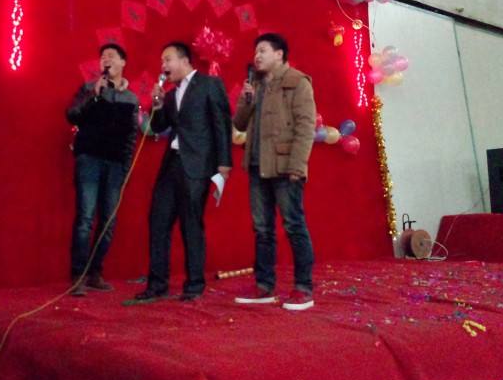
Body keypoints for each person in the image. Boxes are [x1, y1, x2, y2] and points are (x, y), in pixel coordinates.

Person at [134, 42, 232, 302]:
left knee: (191, 224)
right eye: (162, 61)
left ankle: (194, 285)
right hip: (171, 164)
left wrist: (224, 163)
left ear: (185, 60)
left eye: (168, 59)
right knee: (158, 221)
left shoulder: (210, 84)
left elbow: (222, 124)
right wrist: (156, 104)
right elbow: (157, 126)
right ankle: (157, 285)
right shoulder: (169, 95)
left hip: (198, 165)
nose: (163, 66)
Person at [232, 33, 317, 311]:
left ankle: (303, 288)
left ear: (279, 54)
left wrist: (297, 166)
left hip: (285, 168)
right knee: (262, 230)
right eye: (255, 52)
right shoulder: (255, 85)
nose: (257, 56)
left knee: (294, 226)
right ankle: (264, 286)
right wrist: (246, 100)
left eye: (263, 51)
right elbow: (240, 125)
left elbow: (306, 127)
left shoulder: (297, 82)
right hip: (257, 166)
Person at [65, 43, 139, 296]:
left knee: (109, 221)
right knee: (86, 218)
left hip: (116, 164)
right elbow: (72, 114)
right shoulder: (89, 88)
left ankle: (95, 272)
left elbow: (131, 136)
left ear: (123, 62)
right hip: (89, 160)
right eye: (103, 57)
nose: (106, 60)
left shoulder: (132, 99)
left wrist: (126, 169)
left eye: (111, 56)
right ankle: (78, 275)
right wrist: (94, 96)